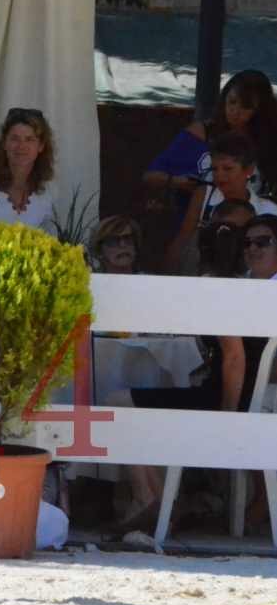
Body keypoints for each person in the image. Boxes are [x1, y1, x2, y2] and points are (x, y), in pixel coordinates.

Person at [110, 214, 275, 532]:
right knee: (138, 409)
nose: (252, 249)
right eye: (247, 243)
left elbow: (234, 356)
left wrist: (228, 415)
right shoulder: (252, 289)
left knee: (118, 400)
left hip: (226, 400)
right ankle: (161, 502)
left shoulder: (229, 289)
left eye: (262, 242)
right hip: (236, 397)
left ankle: (150, 498)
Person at [144, 69, 277, 212]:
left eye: (246, 107)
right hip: (195, 220)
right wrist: (177, 182)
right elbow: (150, 176)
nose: (235, 111)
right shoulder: (200, 134)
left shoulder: (268, 142)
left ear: (260, 111)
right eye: (232, 102)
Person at [164, 133, 277, 275]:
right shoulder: (204, 195)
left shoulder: (270, 210)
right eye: (214, 169)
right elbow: (182, 240)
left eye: (227, 168)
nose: (219, 175)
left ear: (249, 169)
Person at [0, 107, 56, 232]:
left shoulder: (46, 194)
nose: (21, 146)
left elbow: (51, 243)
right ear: (4, 143)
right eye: (15, 139)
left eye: (29, 139)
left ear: (40, 146)